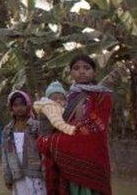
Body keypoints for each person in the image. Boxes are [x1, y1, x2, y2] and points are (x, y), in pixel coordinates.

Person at [37, 54, 114, 195]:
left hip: (91, 158)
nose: (81, 71)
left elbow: (94, 127)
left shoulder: (103, 96)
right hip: (66, 163)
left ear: (94, 72)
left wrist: (51, 142)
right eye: (76, 68)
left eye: (87, 68)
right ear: (71, 73)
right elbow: (58, 125)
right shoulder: (67, 97)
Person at [1, 91, 46, 195]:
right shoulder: (7, 131)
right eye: (15, 105)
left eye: (22, 104)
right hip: (17, 173)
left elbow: (44, 152)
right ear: (11, 108)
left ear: (28, 105)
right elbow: (5, 155)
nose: (19, 108)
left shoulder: (36, 126)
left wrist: (45, 171)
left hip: (35, 173)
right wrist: (7, 177)